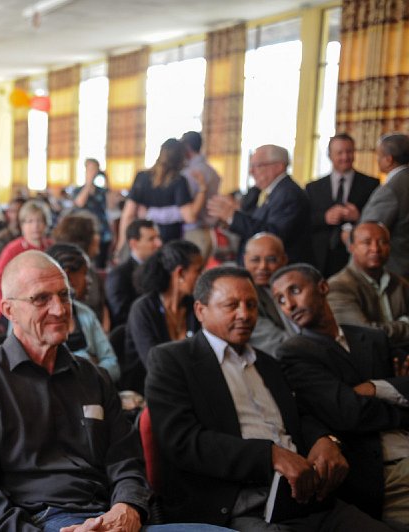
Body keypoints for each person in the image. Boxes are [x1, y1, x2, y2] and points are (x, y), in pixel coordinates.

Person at [145, 266, 390, 530]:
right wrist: (270, 455)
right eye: (231, 305)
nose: (245, 314)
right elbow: (182, 442)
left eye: (251, 305)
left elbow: (300, 414)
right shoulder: (172, 360)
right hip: (237, 503)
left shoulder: (269, 363)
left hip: (305, 493)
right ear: (200, 311)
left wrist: (325, 439)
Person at [0, 250, 154, 531]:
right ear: (9, 310)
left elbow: (126, 461)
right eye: (41, 298)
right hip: (41, 521)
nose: (60, 309)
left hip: (111, 517)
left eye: (64, 295)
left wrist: (127, 507)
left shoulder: (93, 377)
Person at [273, 263, 409, 527]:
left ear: (323, 287)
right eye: (280, 299)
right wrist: (398, 397)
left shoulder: (372, 337)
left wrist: (374, 387)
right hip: (384, 470)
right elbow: (349, 413)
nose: (288, 304)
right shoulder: (294, 351)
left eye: (295, 290)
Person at [207, 144, 313, 265]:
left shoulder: (288, 193)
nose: (251, 171)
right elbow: (260, 222)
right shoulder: (274, 191)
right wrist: (234, 214)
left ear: (278, 167)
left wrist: (232, 216)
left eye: (257, 166)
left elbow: (271, 235)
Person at [126, 240, 202, 390]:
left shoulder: (194, 306)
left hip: (189, 385)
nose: (201, 277)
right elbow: (153, 364)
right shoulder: (143, 309)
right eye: (198, 271)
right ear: (180, 273)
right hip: (150, 388)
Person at [43, 243, 120, 382]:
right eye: (84, 273)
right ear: (66, 275)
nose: (89, 281)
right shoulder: (36, 318)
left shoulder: (86, 314)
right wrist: (90, 360)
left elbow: (113, 367)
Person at [306, 134, 379, 278]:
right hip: (320, 257)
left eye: (349, 152)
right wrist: (325, 218)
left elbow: (378, 222)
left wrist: (358, 217)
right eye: (340, 153)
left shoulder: (371, 184)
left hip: (354, 256)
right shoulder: (313, 187)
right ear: (330, 155)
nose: (345, 157)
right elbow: (303, 221)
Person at [327, 221, 409, 349]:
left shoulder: (400, 283)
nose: (375, 249)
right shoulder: (338, 286)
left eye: (382, 242)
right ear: (351, 247)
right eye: (367, 242)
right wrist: (405, 325)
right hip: (363, 364)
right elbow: (364, 334)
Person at [117, 139, 199, 249]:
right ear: (181, 158)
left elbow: (128, 214)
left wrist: (122, 244)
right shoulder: (179, 180)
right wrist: (203, 190)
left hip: (145, 239)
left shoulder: (142, 177)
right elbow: (189, 216)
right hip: (170, 240)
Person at [0, 200, 52, 320]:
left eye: (40, 221)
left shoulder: (52, 247)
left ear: (46, 224)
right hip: (17, 307)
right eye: (30, 221)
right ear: (22, 225)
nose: (35, 226)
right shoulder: (13, 249)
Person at [361, 133, 409, 278]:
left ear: (389, 160)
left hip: (394, 269)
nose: (377, 160)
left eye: (379, 155)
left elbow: (370, 230)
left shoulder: (391, 188)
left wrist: (350, 235)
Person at [51, 211, 109, 330]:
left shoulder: (89, 271)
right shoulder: (73, 274)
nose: (98, 237)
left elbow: (103, 308)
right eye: (95, 233)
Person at [242, 232, 296, 356]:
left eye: (271, 260)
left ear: (284, 260)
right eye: (255, 260)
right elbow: (277, 344)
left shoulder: (299, 287)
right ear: (245, 260)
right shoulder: (245, 298)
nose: (263, 267)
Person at [106, 220, 162, 328]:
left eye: (158, 238)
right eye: (151, 239)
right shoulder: (119, 275)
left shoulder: (163, 268)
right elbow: (121, 315)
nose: (159, 243)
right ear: (133, 244)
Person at [74, 158, 113, 268]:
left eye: (95, 169)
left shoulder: (102, 191)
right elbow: (80, 203)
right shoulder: (77, 190)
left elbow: (111, 205)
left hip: (102, 232)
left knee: (101, 264)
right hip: (85, 231)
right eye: (90, 169)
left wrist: (107, 179)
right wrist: (89, 183)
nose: (92, 171)